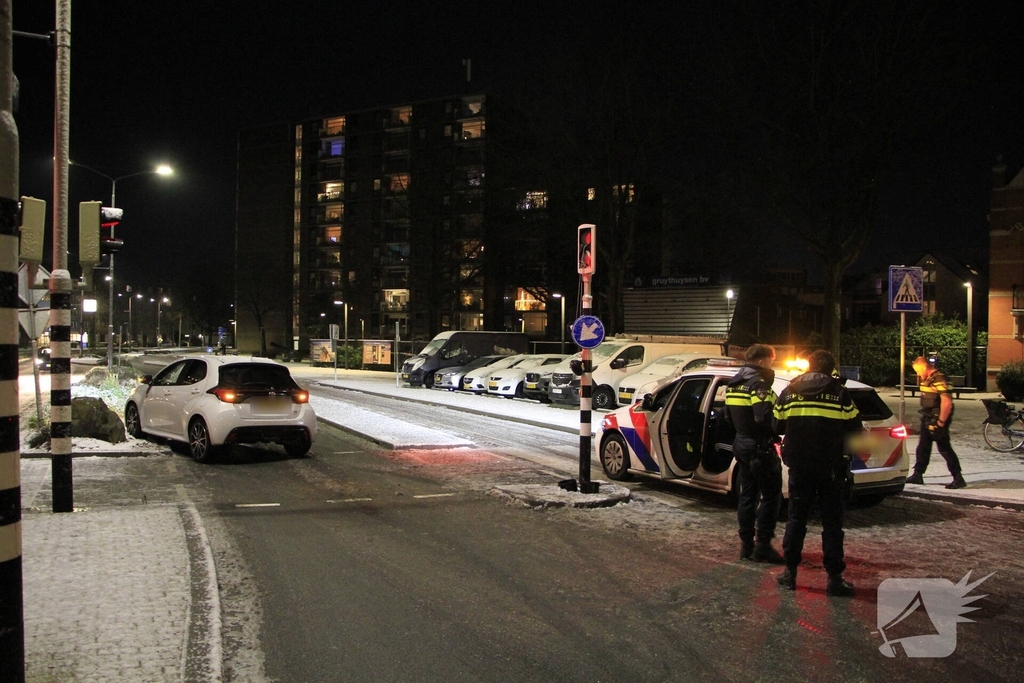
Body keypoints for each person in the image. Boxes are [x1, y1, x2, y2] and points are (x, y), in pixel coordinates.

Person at [773, 350, 862, 597]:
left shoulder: (790, 391)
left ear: (809, 366)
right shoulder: (839, 393)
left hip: (799, 468)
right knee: (832, 524)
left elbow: (776, 423)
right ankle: (834, 579)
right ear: (831, 368)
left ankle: (790, 574)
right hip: (830, 469)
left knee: (796, 520)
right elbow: (855, 427)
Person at [725, 344, 783, 564]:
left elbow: (727, 417)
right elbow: (763, 417)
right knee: (771, 494)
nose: (771, 365)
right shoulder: (758, 384)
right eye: (771, 360)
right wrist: (775, 434)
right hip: (759, 446)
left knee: (748, 495)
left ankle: (746, 546)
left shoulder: (733, 384)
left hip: (741, 444)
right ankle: (763, 546)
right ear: (761, 361)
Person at [906, 355, 967, 489]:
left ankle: (958, 477)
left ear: (924, 367)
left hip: (938, 418)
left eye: (918, 371)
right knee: (923, 447)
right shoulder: (926, 380)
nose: (918, 374)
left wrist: (941, 422)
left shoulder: (940, 379)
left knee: (944, 448)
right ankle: (918, 474)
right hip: (927, 417)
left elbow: (947, 402)